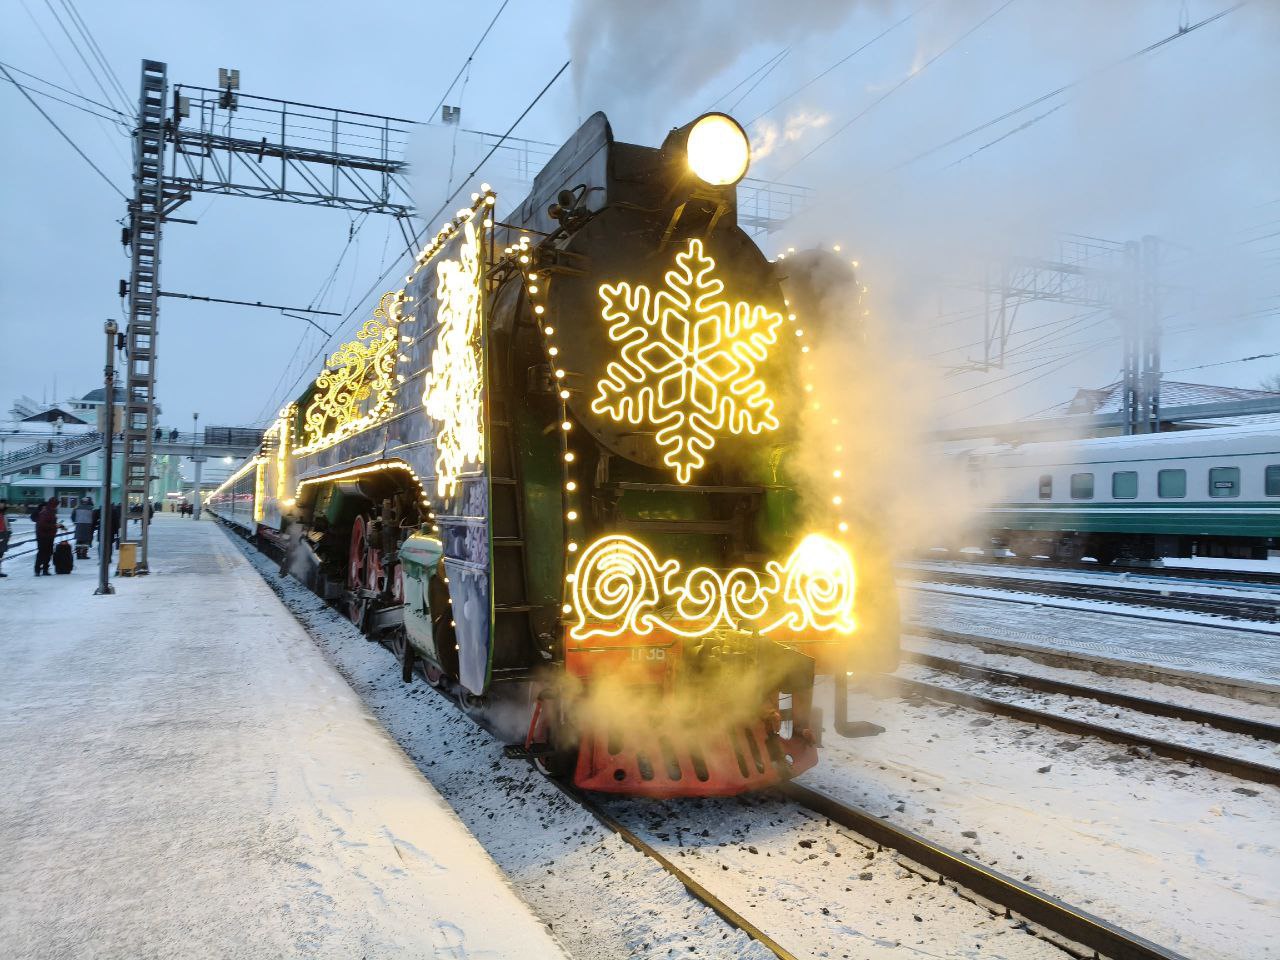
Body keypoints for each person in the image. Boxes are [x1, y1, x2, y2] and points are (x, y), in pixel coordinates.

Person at [34, 496, 63, 576]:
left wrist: (58, 525)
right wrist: (55, 526)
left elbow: (49, 522)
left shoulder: (51, 511)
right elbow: (42, 525)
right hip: (43, 536)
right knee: (42, 552)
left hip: (49, 535)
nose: (57, 506)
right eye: (56, 504)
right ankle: (38, 570)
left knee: (48, 552)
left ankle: (45, 569)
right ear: (53, 504)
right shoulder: (46, 511)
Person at [0, 499, 10, 578]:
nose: (3, 505)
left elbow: (6, 524)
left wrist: (9, 532)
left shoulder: (4, 513)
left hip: (4, 535)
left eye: (4, 504)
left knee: (1, 554)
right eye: (2, 503)